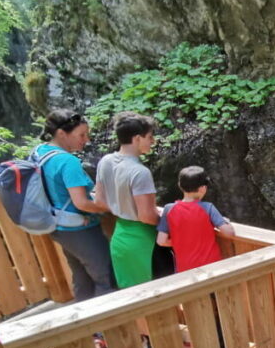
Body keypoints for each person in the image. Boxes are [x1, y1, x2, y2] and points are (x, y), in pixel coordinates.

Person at [35, 109, 114, 301]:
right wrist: (109, 207)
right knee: (106, 278)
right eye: (81, 135)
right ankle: (110, 329)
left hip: (60, 228)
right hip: (81, 229)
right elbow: (82, 202)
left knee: (82, 278)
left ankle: (90, 330)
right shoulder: (67, 161)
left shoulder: (41, 152)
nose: (86, 140)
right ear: (62, 133)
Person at [95, 112, 161, 289]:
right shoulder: (139, 172)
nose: (152, 141)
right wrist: (166, 222)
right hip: (143, 241)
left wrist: (122, 207)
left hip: (120, 236)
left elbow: (100, 201)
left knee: (131, 294)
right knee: (154, 294)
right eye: (149, 137)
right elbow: (146, 216)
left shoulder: (106, 161)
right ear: (137, 138)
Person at [157, 165, 236, 271]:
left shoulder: (168, 209)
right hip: (212, 268)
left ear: (180, 185)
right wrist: (226, 221)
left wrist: (180, 242)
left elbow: (161, 241)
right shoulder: (208, 208)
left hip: (184, 269)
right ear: (203, 188)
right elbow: (229, 233)